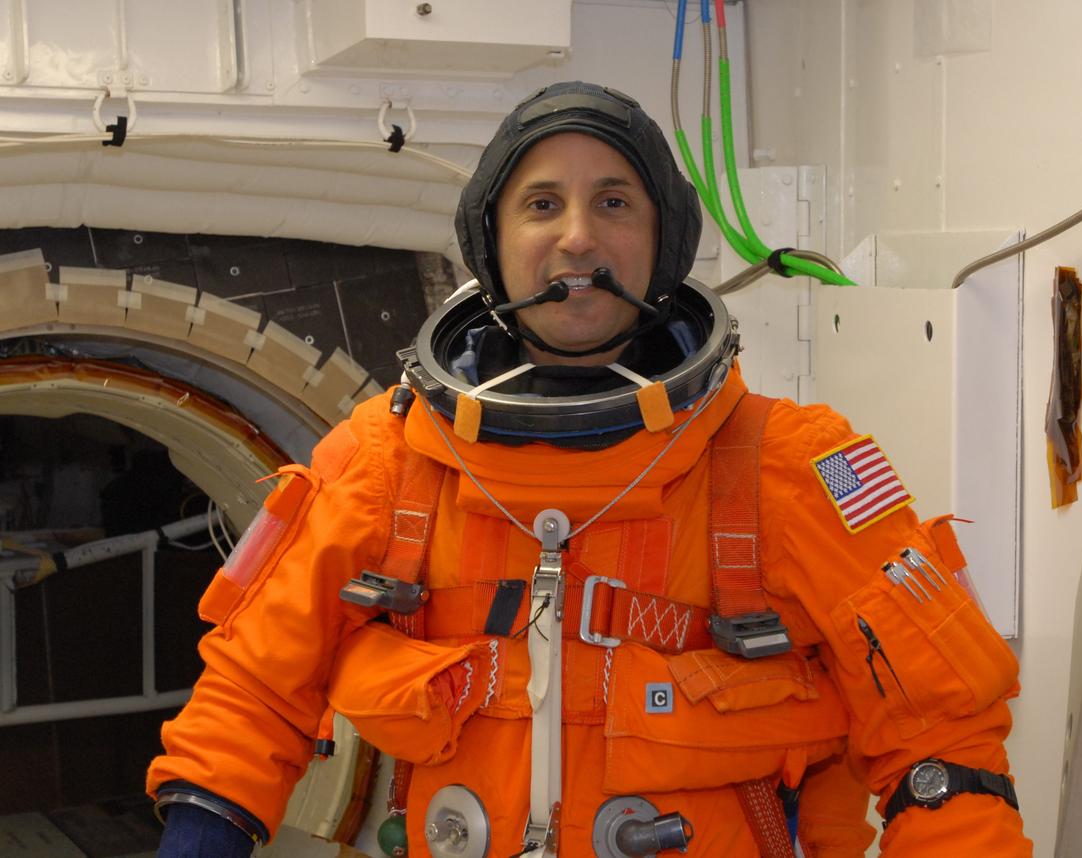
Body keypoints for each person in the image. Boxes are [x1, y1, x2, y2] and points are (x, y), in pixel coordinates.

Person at [148, 81, 1032, 857]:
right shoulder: (390, 466)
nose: (577, 238)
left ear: (662, 241)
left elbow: (941, 740)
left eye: (614, 202)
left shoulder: (786, 468)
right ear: (490, 245)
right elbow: (254, 693)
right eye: (540, 205)